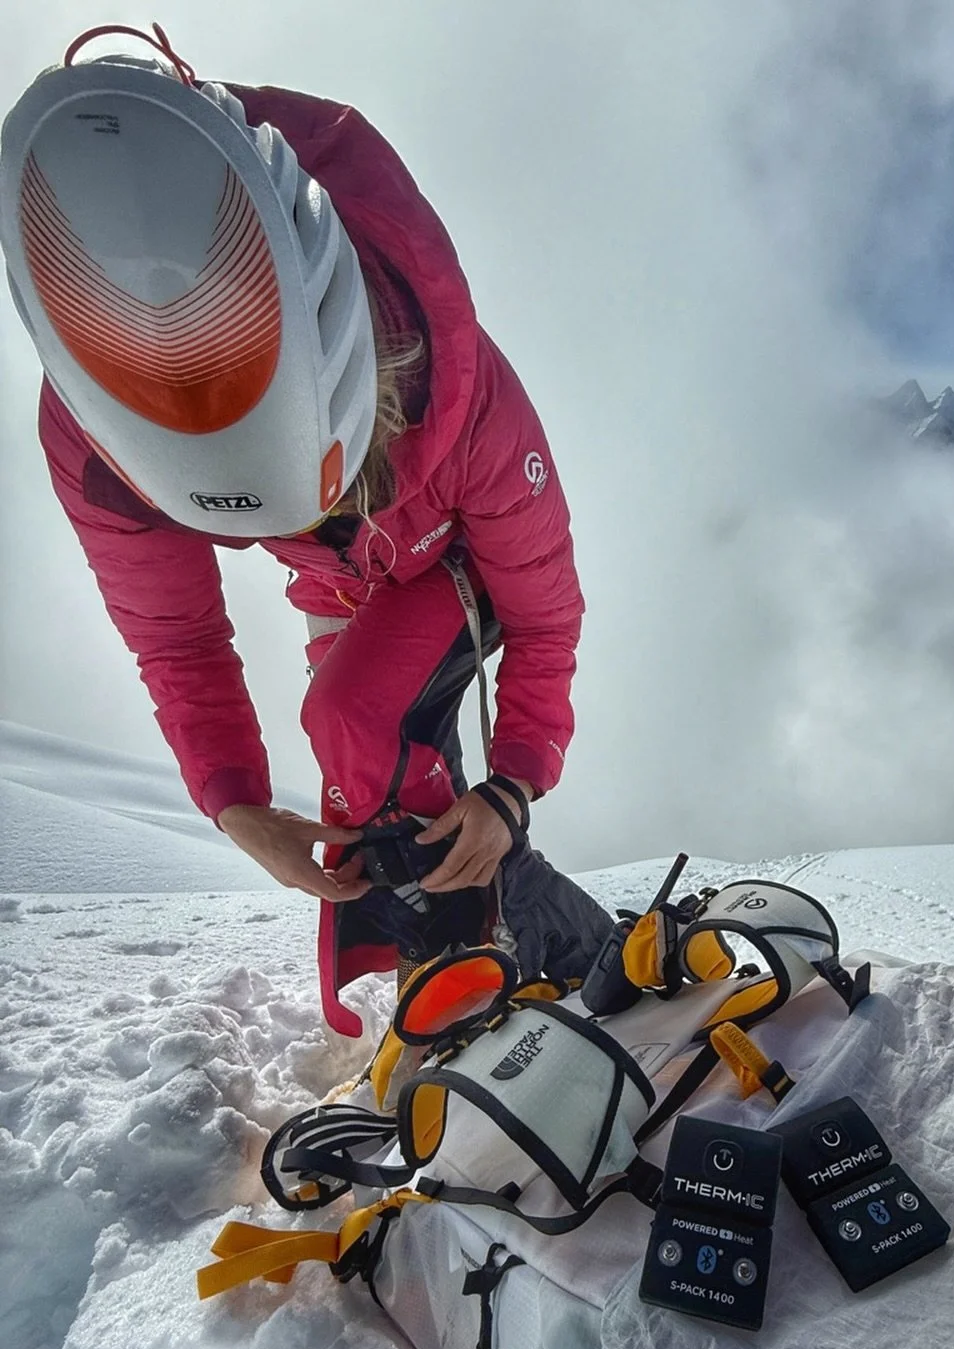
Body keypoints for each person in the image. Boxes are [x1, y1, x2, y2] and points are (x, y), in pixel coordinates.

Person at [0, 26, 610, 1033]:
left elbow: (544, 616)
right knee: (358, 765)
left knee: (357, 717)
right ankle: (490, 935)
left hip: (453, 561)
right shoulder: (103, 442)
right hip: (347, 581)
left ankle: (482, 946)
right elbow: (177, 639)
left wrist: (514, 783)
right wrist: (236, 804)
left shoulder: (473, 408)